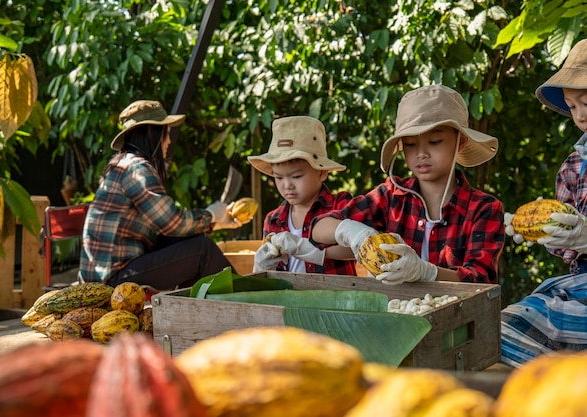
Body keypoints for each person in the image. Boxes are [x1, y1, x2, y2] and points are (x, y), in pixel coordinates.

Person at [310, 84, 504, 285]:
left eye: (435, 141)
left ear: (460, 142)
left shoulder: (484, 208)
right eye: (410, 144)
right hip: (397, 312)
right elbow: (319, 227)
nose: (422, 153)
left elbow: (481, 278)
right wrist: (353, 232)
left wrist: (427, 272)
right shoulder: (390, 196)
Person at [78, 100, 245, 290]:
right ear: (153, 134)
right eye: (166, 133)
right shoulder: (136, 169)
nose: (169, 141)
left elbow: (165, 230)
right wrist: (212, 215)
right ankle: (249, 302)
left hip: (112, 272)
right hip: (111, 280)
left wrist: (214, 222)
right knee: (203, 251)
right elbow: (172, 223)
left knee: (190, 242)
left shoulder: (123, 165)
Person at [502, 38, 587, 367]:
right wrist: (549, 232)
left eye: (586, 101)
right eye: (572, 106)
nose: (580, 115)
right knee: (512, 325)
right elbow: (568, 250)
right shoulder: (572, 167)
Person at [248, 115, 358, 275]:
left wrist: (310, 249)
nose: (287, 185)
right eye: (278, 177)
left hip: (335, 296)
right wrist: (264, 263)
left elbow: (357, 249)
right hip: (288, 297)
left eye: (296, 176)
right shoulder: (273, 220)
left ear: (322, 172)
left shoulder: (340, 206)